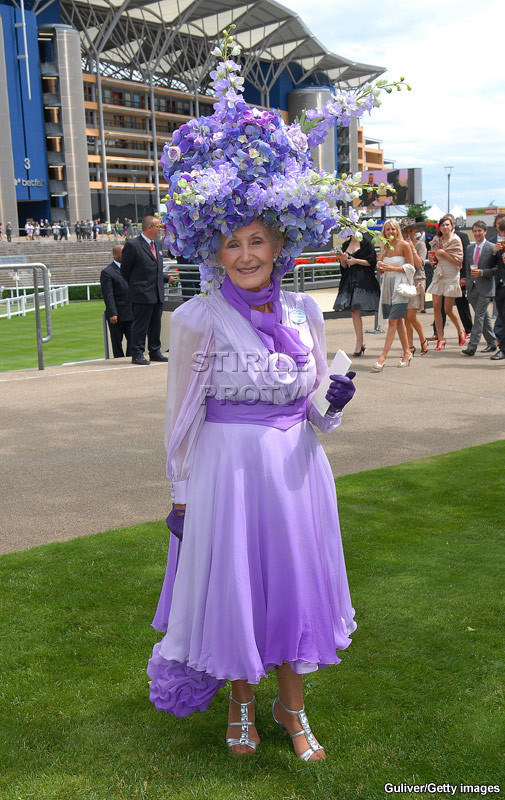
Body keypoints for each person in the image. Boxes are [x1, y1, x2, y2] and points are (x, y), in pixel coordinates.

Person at [144, 30, 403, 762]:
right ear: (214, 251)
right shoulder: (195, 318)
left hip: (296, 472)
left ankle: (292, 713)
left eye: (257, 240)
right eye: (233, 244)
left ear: (278, 244)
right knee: (236, 596)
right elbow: (181, 416)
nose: (248, 255)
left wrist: (336, 400)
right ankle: (238, 706)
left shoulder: (303, 312)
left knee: (291, 595)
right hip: (226, 474)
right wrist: (181, 495)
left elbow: (314, 402)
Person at [121, 215, 168, 365]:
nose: (160, 229)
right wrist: (137, 286)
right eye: (157, 226)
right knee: (140, 325)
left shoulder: (158, 245)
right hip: (142, 293)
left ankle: (155, 351)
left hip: (157, 292)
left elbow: (157, 268)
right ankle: (137, 353)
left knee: (155, 325)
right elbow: (125, 270)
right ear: (149, 227)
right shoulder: (133, 245)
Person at [371, 220, 415, 371]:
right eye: (387, 229)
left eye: (393, 229)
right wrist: (381, 267)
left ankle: (382, 357)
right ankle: (407, 352)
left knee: (392, 322)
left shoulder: (404, 245)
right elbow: (383, 269)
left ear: (397, 230)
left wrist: (393, 268)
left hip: (400, 286)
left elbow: (411, 267)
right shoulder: (384, 247)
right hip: (387, 285)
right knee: (398, 321)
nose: (390, 232)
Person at [333, 231, 380, 355]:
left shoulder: (366, 244)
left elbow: (372, 263)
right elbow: (343, 267)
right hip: (349, 280)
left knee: (357, 308)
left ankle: (360, 343)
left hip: (364, 280)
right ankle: (360, 342)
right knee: (354, 311)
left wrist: (356, 260)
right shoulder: (345, 245)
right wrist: (343, 260)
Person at [426, 215, 465, 350]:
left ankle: (460, 330)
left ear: (452, 225)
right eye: (443, 225)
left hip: (451, 273)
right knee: (436, 306)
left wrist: (444, 253)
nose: (445, 227)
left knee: (447, 309)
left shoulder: (456, 240)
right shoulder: (437, 240)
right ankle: (441, 338)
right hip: (439, 272)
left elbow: (458, 262)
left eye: (447, 225)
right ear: (440, 227)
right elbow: (433, 255)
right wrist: (432, 259)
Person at [461, 221, 497, 356]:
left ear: (485, 231)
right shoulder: (470, 248)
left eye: (479, 231)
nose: (477, 233)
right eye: (475, 231)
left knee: (479, 317)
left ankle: (472, 346)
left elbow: (496, 269)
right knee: (484, 317)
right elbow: (467, 268)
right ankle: (492, 342)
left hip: (486, 287)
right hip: (472, 288)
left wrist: (482, 272)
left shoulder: (492, 247)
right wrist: (467, 281)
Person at [100, 245, 133, 357]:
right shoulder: (107, 272)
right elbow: (108, 294)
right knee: (117, 344)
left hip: (131, 313)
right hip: (117, 315)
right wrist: (113, 313)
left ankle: (130, 363)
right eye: (123, 253)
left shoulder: (131, 268)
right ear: (115, 254)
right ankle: (118, 367)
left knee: (133, 342)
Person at [401, 219, 428, 355]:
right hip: (405, 281)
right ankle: (409, 346)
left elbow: (419, 264)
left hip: (417, 280)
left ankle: (423, 339)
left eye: (411, 231)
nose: (408, 234)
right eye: (406, 231)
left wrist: (412, 248)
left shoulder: (421, 245)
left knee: (411, 315)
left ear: (415, 232)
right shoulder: (401, 245)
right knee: (406, 316)